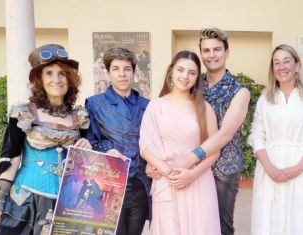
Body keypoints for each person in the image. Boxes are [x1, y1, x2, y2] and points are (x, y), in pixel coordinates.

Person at [146, 26, 250, 235]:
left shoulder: (239, 91)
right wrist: (155, 164)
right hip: (182, 168)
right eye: (207, 50)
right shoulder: (192, 81)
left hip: (222, 169)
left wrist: (189, 160)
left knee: (218, 227)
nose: (212, 55)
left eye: (217, 49)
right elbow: (167, 122)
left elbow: (224, 135)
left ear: (226, 52)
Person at [0, 44, 92, 234]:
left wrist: (87, 148)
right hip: (28, 201)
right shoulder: (23, 114)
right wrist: (0, 201)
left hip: (68, 202)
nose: (56, 79)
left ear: (70, 78)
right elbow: (10, 159)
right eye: (49, 73)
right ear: (39, 80)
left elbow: (86, 162)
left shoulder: (80, 117)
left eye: (62, 73)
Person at [139, 50, 221, 234]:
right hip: (167, 181)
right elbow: (145, 147)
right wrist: (171, 174)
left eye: (192, 73)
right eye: (180, 70)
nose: (185, 76)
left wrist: (191, 175)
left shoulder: (204, 108)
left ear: (197, 78)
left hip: (198, 180)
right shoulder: (156, 106)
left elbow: (214, 150)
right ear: (171, 72)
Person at [247, 44, 303, 234]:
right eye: (276, 63)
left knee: (297, 220)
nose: (281, 67)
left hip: (299, 165)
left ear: (297, 66)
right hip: (268, 166)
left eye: (286, 61)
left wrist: (298, 168)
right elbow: (256, 134)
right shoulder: (265, 99)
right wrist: (269, 167)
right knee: (267, 219)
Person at [85, 47, 151, 235]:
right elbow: (90, 139)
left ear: (133, 72)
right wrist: (107, 149)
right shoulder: (94, 103)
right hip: (110, 182)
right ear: (108, 72)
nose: (122, 74)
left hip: (140, 183)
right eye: (116, 69)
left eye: (127, 69)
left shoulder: (146, 105)